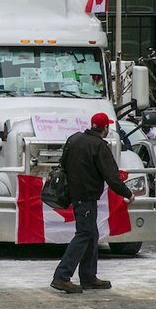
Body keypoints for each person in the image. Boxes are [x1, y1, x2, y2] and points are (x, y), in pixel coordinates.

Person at [51, 113, 136, 294]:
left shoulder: (74, 139)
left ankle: (88, 276)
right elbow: (112, 177)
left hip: (75, 195)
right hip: (86, 196)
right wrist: (128, 194)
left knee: (92, 234)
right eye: (107, 127)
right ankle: (62, 276)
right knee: (84, 234)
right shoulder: (99, 146)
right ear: (105, 128)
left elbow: (62, 164)